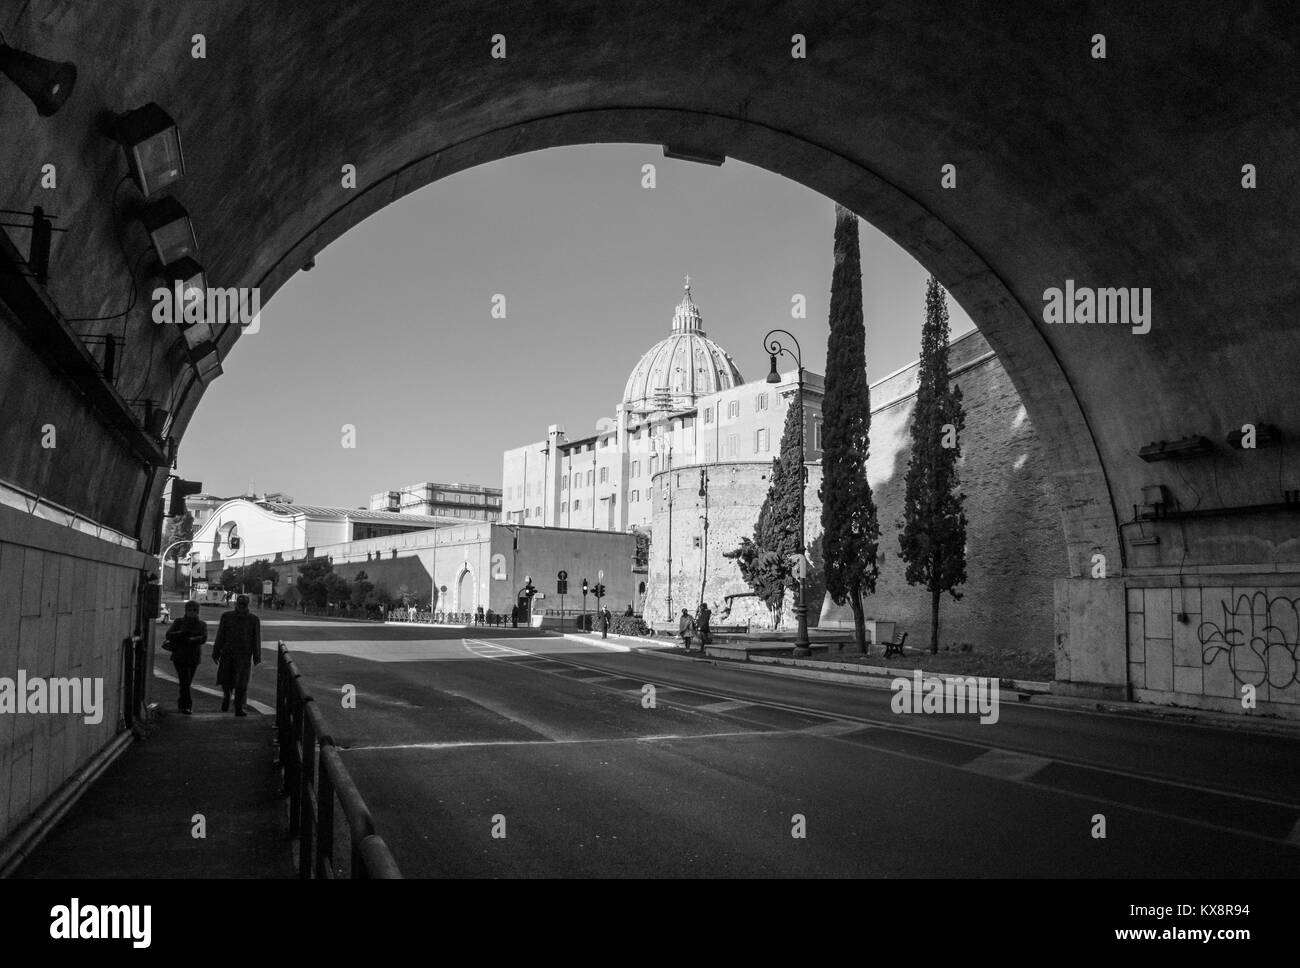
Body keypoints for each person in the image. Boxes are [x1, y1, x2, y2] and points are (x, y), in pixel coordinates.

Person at [212, 594, 262, 716]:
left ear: (247, 605)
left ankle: (239, 708)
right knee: (226, 679)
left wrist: (256, 655)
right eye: (240, 603)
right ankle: (227, 695)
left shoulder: (253, 619)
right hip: (228, 653)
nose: (242, 605)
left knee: (242, 683)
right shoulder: (226, 617)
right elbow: (221, 635)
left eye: (244, 603)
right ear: (237, 604)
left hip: (244, 655)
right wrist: (216, 651)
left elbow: (256, 638)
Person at [163, 601, 206, 714]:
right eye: (190, 610)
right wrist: (181, 633)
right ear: (186, 611)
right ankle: (187, 705)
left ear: (198, 612)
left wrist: (193, 639)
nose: (192, 613)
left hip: (193, 657)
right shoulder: (179, 622)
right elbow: (169, 635)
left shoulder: (201, 624)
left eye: (194, 611)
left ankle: (182, 703)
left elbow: (203, 638)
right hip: (180, 656)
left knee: (187, 682)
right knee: (185, 681)